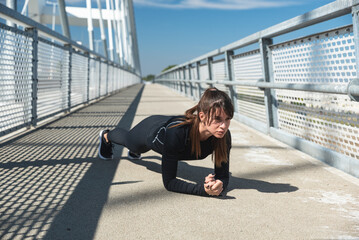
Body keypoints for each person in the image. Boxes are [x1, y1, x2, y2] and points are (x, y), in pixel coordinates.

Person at [98, 87, 233, 197]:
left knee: (140, 151)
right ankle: (106, 136)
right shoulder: (177, 133)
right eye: (217, 119)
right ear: (202, 116)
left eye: (227, 119)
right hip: (151, 130)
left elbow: (223, 175)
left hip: (170, 132)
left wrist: (218, 184)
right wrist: (202, 190)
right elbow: (169, 182)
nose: (224, 126)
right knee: (130, 143)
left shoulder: (223, 137)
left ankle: (134, 150)